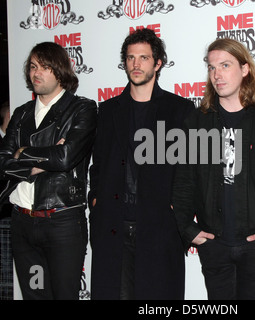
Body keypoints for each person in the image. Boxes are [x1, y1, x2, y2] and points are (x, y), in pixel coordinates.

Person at [172, 38, 255, 300]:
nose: (217, 75)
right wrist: (190, 231)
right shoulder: (196, 123)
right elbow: (183, 183)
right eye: (211, 68)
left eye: (225, 65)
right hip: (215, 247)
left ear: (245, 69)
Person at [88, 28, 194, 300]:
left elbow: (190, 169)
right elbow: (98, 163)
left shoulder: (178, 110)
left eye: (144, 58)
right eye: (131, 58)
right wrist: (95, 200)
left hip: (159, 227)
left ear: (158, 63)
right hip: (113, 226)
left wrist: (179, 208)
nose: (136, 64)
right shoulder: (109, 110)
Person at [0, 42, 97, 300]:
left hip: (61, 221)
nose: (36, 73)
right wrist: (41, 157)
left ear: (60, 71)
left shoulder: (81, 109)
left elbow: (64, 158)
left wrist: (21, 153)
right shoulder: (21, 114)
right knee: (35, 296)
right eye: (32, 67)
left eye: (45, 67)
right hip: (22, 223)